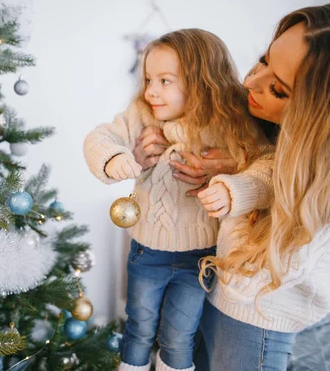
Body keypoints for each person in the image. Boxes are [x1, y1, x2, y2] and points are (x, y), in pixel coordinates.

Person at [132, 2, 330, 370]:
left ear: (320, 116)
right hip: (212, 291)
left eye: (277, 88)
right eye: (263, 59)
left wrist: (235, 185)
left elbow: (246, 281)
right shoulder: (267, 135)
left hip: (254, 321)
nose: (248, 82)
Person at [84, 29, 265, 371]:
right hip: (147, 253)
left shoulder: (228, 125)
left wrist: (228, 178)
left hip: (198, 260)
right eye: (149, 79)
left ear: (201, 82)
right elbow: (101, 136)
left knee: (179, 337)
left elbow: (263, 163)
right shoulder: (141, 114)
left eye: (165, 80)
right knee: (137, 330)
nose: (151, 90)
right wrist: (113, 156)